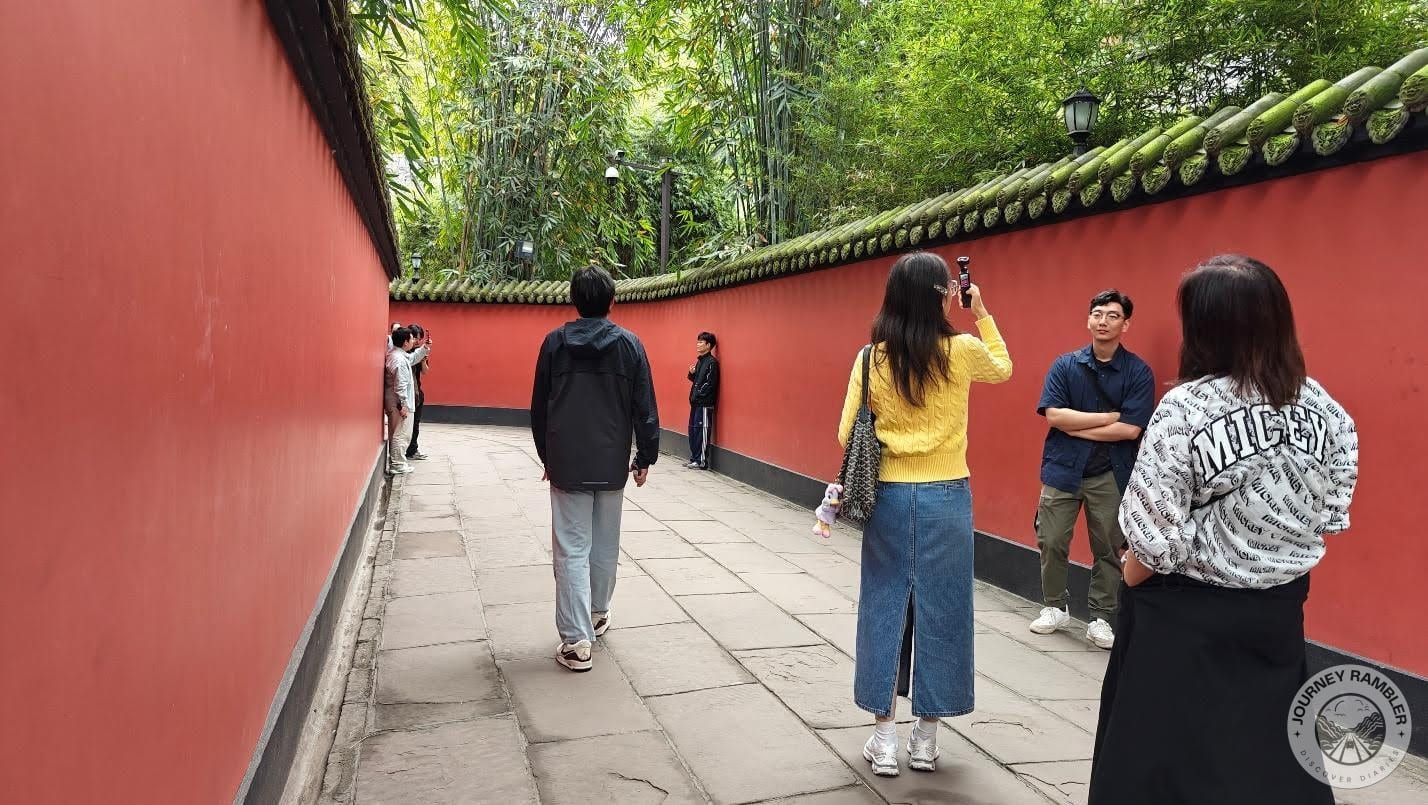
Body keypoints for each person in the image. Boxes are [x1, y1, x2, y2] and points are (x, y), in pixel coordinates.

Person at [1090, 255, 1356, 804]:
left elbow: (1151, 539)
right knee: (1269, 756)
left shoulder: (1186, 407)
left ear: (1205, 328)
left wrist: (1133, 574)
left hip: (1184, 617)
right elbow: (1332, 512)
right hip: (1277, 614)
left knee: (1165, 764)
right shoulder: (1328, 410)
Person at [837, 251, 1012, 777]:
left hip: (887, 496)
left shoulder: (872, 358)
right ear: (945, 295)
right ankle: (926, 740)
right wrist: (980, 311)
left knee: (885, 606)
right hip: (946, 497)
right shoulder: (960, 351)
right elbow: (1003, 367)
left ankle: (883, 738)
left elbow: (847, 434)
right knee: (944, 609)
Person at [531, 265, 660, 672]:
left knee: (572, 549)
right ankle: (598, 613)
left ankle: (575, 642)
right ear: (612, 301)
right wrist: (645, 457)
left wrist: (547, 457)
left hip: (567, 462)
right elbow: (646, 408)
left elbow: (539, 408)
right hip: (610, 463)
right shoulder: (630, 345)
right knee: (605, 543)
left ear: (574, 301)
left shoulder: (554, 344)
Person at [1030, 290, 1155, 649]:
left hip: (1110, 473)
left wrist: (1077, 425)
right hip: (1064, 469)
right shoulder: (1066, 366)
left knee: (1109, 547)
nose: (1103, 321)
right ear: (1088, 320)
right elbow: (1054, 414)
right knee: (1051, 540)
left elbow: (1131, 429)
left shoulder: (1137, 372)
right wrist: (1107, 418)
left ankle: (1101, 616)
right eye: (1097, 314)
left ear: (1125, 324)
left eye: (1112, 316)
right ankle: (1055, 606)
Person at [384, 327, 424, 476]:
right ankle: (397, 464)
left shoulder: (398, 355)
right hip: (399, 403)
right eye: (412, 338)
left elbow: (413, 358)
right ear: (405, 341)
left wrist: (424, 348)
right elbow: (400, 385)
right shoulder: (399, 360)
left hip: (396, 401)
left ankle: (397, 461)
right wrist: (404, 404)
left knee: (398, 433)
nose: (414, 341)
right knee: (401, 434)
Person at [685, 331, 720, 469]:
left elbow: (709, 384)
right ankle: (694, 458)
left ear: (708, 345)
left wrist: (699, 394)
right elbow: (697, 380)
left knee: (702, 430)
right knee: (693, 431)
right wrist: (692, 373)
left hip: (704, 404)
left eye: (701, 342)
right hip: (695, 403)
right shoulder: (700, 361)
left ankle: (701, 461)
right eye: (697, 341)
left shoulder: (712, 363)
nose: (697, 344)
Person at [405, 323, 431, 461]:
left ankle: (413, 449)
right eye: (414, 337)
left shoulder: (421, 351)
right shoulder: (404, 352)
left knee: (416, 423)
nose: (416, 340)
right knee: (406, 425)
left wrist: (423, 359)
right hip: (407, 393)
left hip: (417, 393)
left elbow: (425, 371)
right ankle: (405, 451)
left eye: (418, 338)